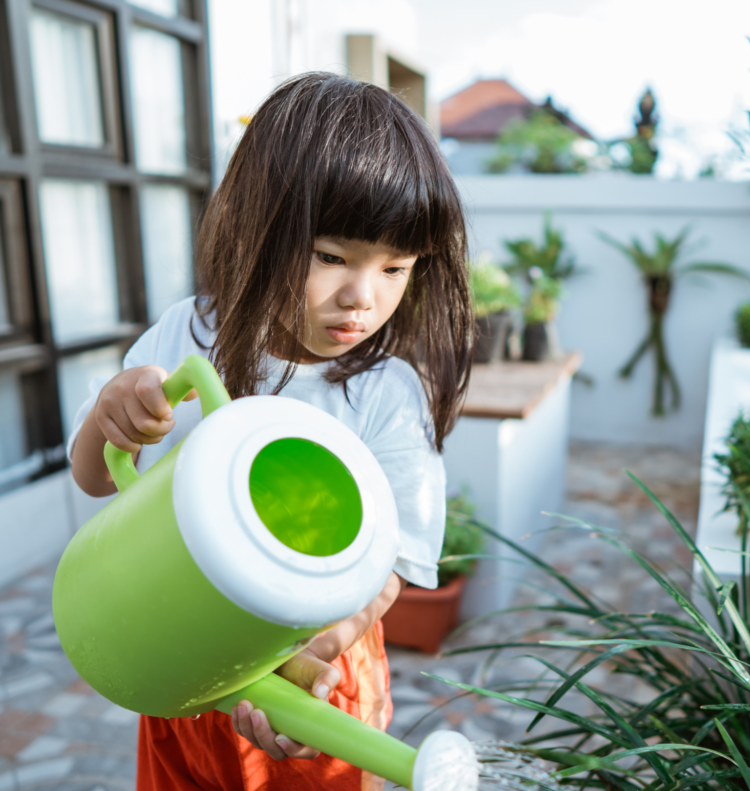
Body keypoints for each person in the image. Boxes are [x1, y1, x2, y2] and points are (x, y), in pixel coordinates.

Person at [68, 73, 473, 791]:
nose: (363, 296)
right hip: (180, 656)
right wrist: (112, 415)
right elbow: (97, 475)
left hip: (316, 676)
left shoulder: (385, 391)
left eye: (396, 268)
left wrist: (308, 652)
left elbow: (390, 568)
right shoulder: (188, 336)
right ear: (260, 224)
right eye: (332, 256)